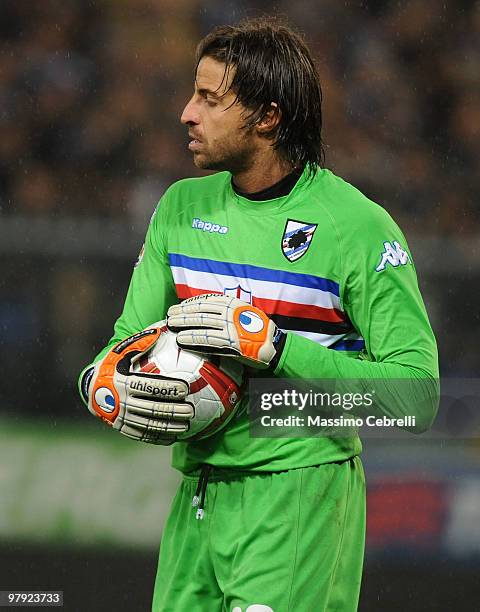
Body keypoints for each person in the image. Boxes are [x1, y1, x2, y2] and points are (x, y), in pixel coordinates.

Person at [79, 18, 439, 612]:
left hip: (298, 493)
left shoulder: (359, 228)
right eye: (193, 93)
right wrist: (101, 381)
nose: (186, 113)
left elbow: (415, 400)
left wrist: (276, 348)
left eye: (209, 99)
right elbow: (124, 343)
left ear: (267, 117)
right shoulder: (179, 208)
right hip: (196, 495)